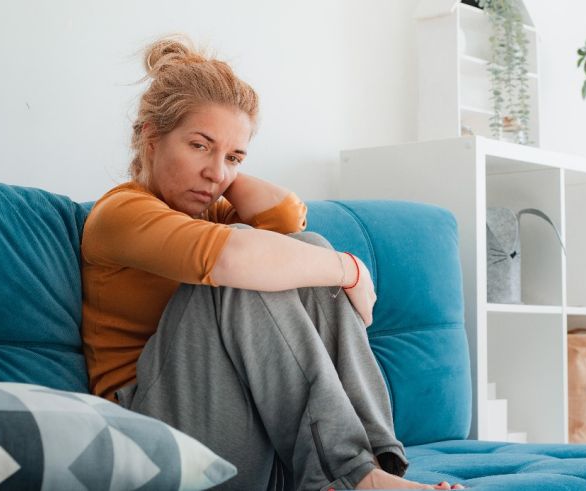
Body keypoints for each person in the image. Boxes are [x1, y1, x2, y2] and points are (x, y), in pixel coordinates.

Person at [81, 34, 464, 491]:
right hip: (153, 434)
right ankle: (348, 478)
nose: (216, 172)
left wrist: (224, 172)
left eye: (234, 157)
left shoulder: (213, 211)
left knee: (308, 246)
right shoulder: (121, 214)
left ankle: (375, 466)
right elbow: (238, 256)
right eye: (199, 146)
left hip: (241, 428)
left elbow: (285, 216)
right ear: (151, 135)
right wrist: (351, 270)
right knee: (251, 256)